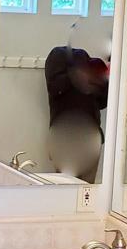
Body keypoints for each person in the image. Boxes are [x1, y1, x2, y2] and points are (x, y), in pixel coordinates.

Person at [44, 45, 109, 183]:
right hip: (66, 139)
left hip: (89, 140)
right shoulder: (58, 59)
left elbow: (102, 102)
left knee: (85, 190)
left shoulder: (88, 79)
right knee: (69, 187)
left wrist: (109, 78)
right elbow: (55, 87)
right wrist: (80, 74)